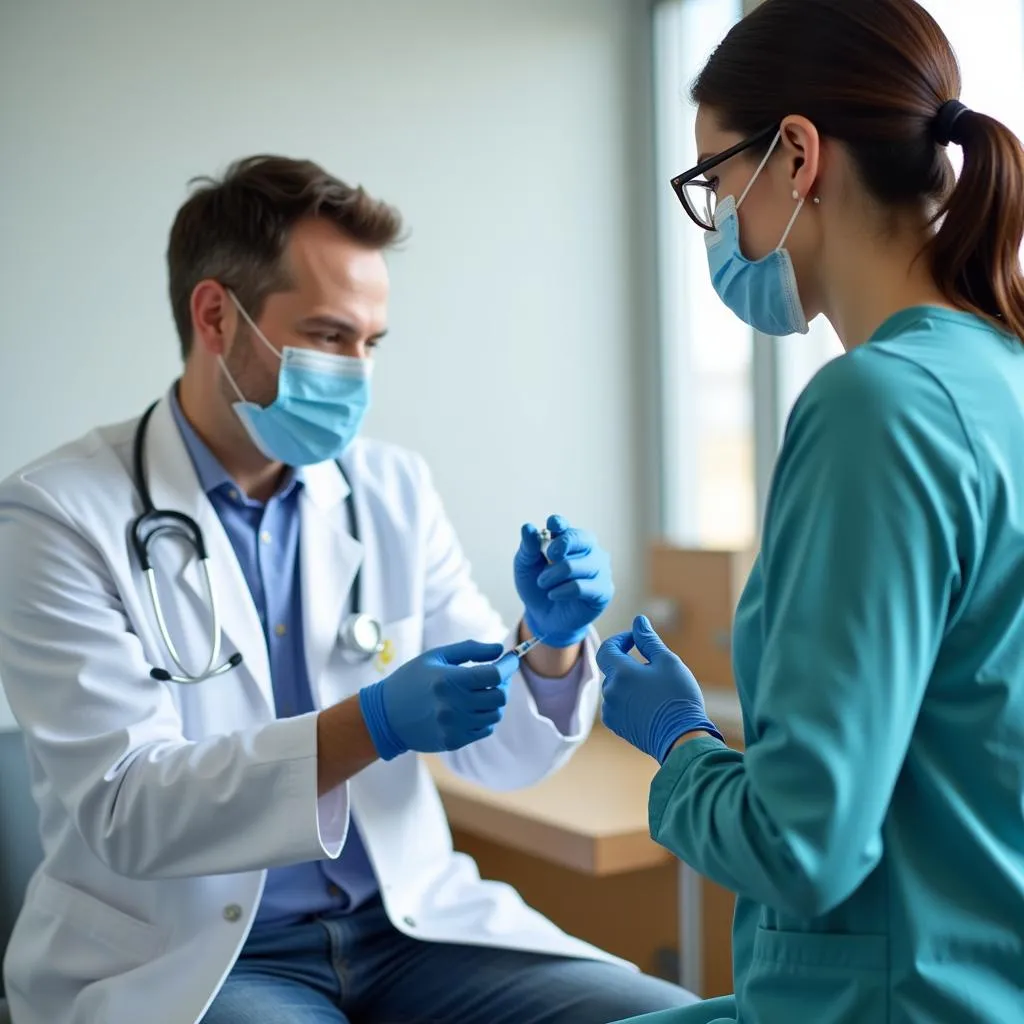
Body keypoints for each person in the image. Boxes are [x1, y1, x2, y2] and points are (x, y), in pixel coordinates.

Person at [0, 156, 694, 1024]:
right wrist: (370, 725)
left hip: (411, 934)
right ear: (216, 316)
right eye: (330, 336)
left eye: (371, 343)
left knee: (666, 1018)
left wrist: (548, 647)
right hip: (204, 960)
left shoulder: (390, 490)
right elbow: (126, 809)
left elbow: (500, 756)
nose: (357, 372)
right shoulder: (57, 514)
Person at [597, 0, 1024, 1021]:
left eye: (713, 181)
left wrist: (680, 744)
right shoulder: (998, 376)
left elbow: (803, 845)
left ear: (796, 156)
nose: (717, 228)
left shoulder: (874, 404)